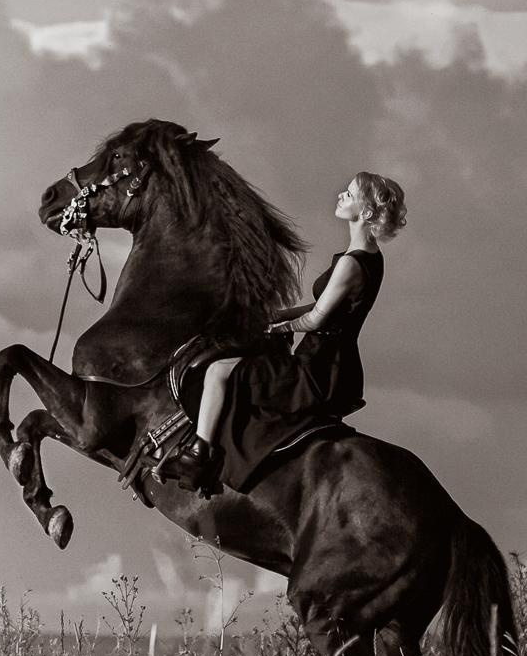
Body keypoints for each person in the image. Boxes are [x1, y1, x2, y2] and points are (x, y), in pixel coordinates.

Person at [158, 171, 405, 494]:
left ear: (367, 211)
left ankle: (197, 459)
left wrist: (278, 327)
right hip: (336, 364)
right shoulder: (372, 259)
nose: (341, 195)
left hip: (317, 367)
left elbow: (316, 320)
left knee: (218, 372)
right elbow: (325, 308)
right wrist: (277, 315)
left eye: (350, 194)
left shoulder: (351, 264)